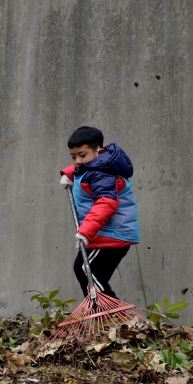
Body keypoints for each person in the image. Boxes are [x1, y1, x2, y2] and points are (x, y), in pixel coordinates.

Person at [59, 126, 140, 299]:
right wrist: (70, 173)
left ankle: (112, 313)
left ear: (98, 150)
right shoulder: (95, 166)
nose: (78, 161)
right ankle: (100, 311)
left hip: (112, 234)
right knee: (91, 274)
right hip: (105, 233)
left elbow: (106, 203)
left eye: (82, 155)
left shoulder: (102, 174)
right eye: (73, 156)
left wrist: (85, 231)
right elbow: (83, 169)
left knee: (85, 270)